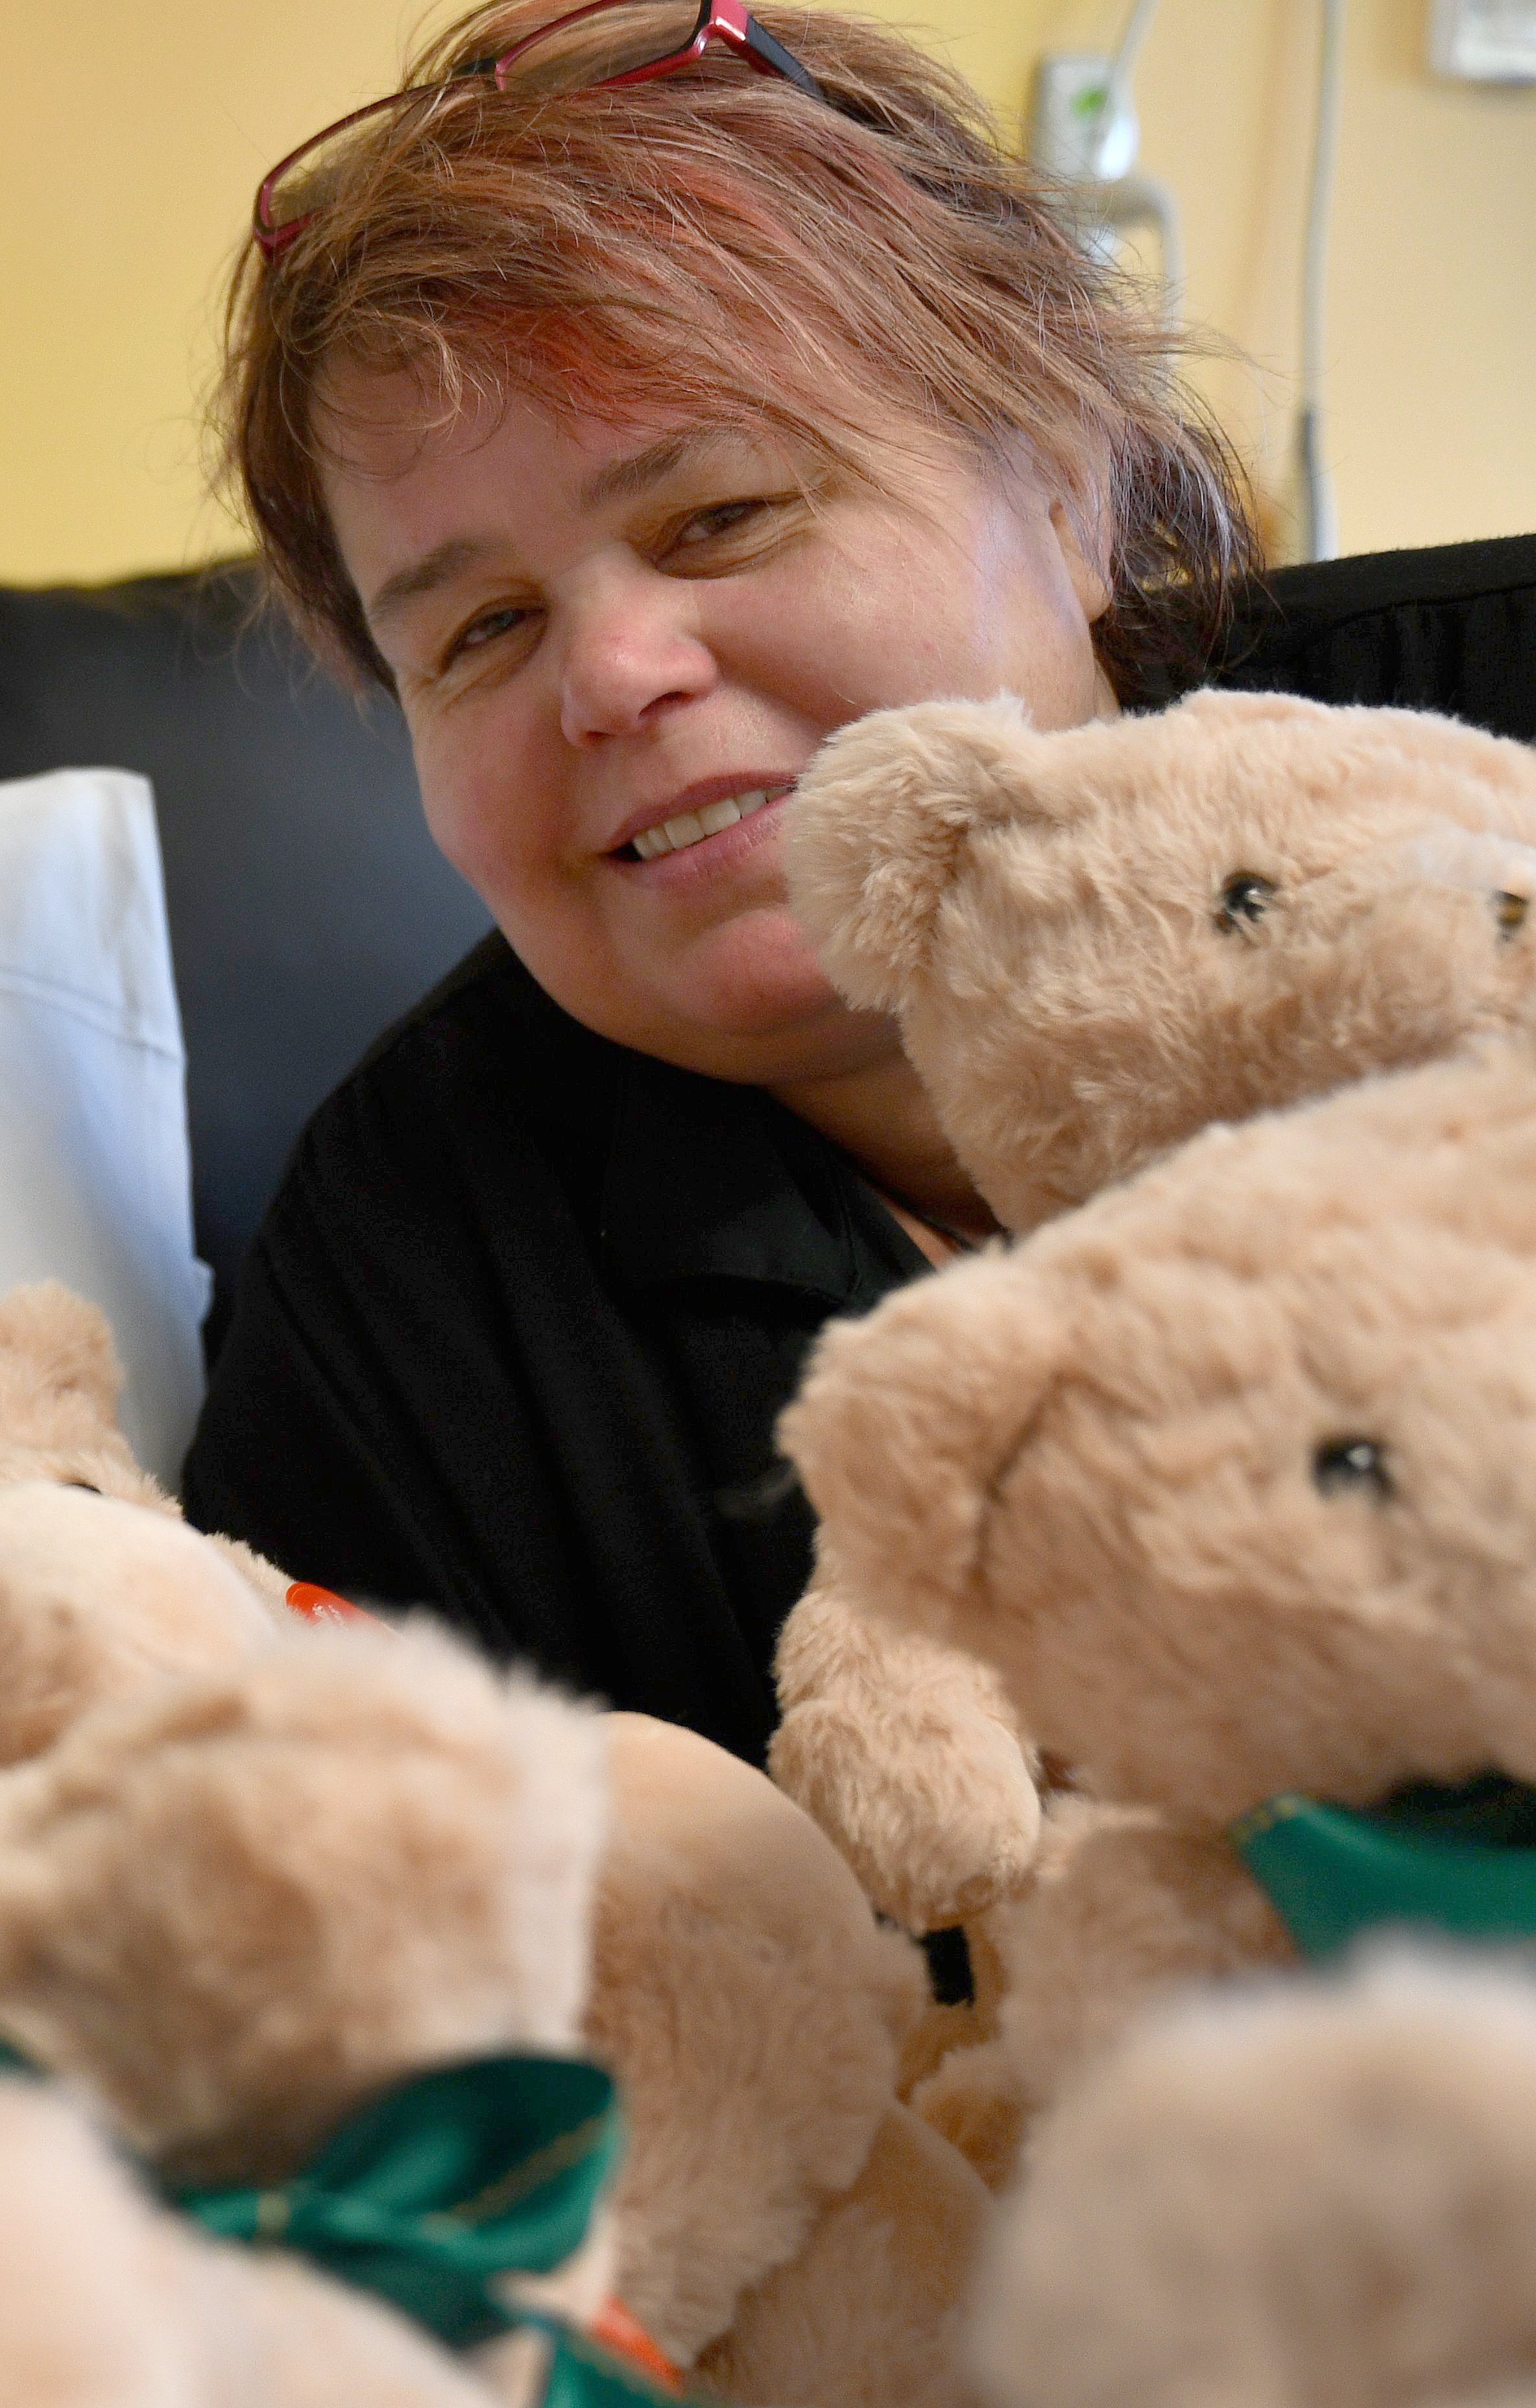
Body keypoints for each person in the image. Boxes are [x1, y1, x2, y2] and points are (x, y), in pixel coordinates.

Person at [181, 0, 1262, 1767]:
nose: (609, 676)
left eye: (720, 517)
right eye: (483, 630)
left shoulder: (1483, 766)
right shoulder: (410, 1296)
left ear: (1069, 476)